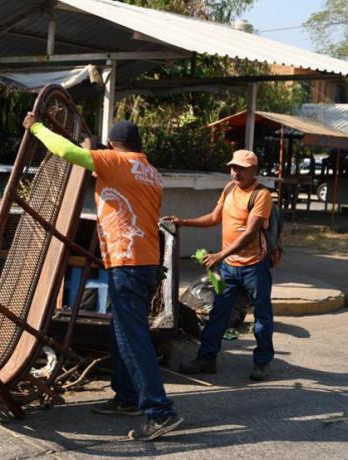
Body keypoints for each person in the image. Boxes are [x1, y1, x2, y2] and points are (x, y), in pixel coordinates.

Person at [22, 112, 182, 441]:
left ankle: (160, 411)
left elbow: (66, 152)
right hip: (144, 261)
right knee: (121, 330)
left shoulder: (116, 162)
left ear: (113, 146)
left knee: (132, 338)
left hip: (128, 261)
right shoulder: (151, 171)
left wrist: (36, 127)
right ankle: (126, 399)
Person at [165, 150, 275, 381]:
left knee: (262, 316)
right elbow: (215, 217)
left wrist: (220, 255)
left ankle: (262, 362)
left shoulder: (261, 195)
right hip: (229, 267)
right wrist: (184, 222)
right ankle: (206, 359)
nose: (236, 172)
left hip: (254, 265)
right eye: (233, 167)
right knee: (218, 313)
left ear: (254, 170)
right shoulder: (229, 189)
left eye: (242, 168)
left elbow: (251, 232)